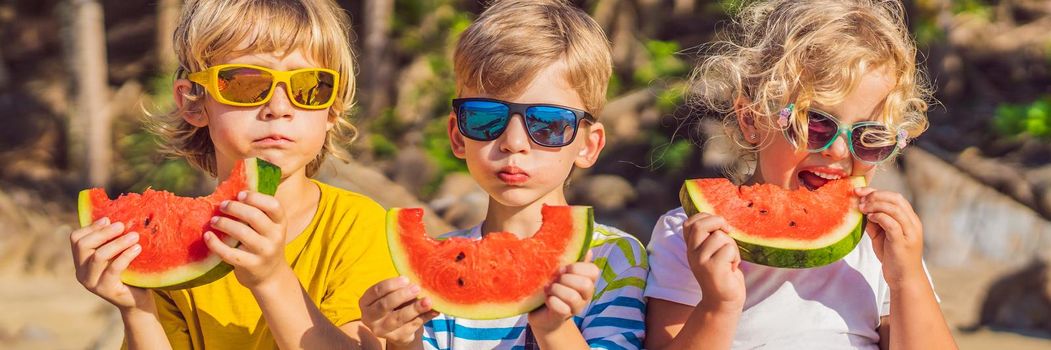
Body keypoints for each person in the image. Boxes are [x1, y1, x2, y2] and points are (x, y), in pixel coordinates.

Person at [68, 0, 395, 348]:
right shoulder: (180, 243)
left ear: (333, 109)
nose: (279, 108)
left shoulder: (357, 226)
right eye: (244, 84)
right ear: (193, 102)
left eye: (310, 87)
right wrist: (136, 308)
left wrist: (271, 280)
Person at [643, 0, 958, 349]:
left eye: (870, 137)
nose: (838, 152)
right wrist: (718, 306)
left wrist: (906, 278)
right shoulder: (688, 236)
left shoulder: (880, 250)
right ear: (751, 119)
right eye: (815, 124)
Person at [357, 1, 648, 349]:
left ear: (588, 145)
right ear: (457, 135)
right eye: (485, 117)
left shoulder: (615, 258)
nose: (513, 143)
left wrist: (554, 328)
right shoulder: (439, 269)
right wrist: (402, 339)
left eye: (549, 124)